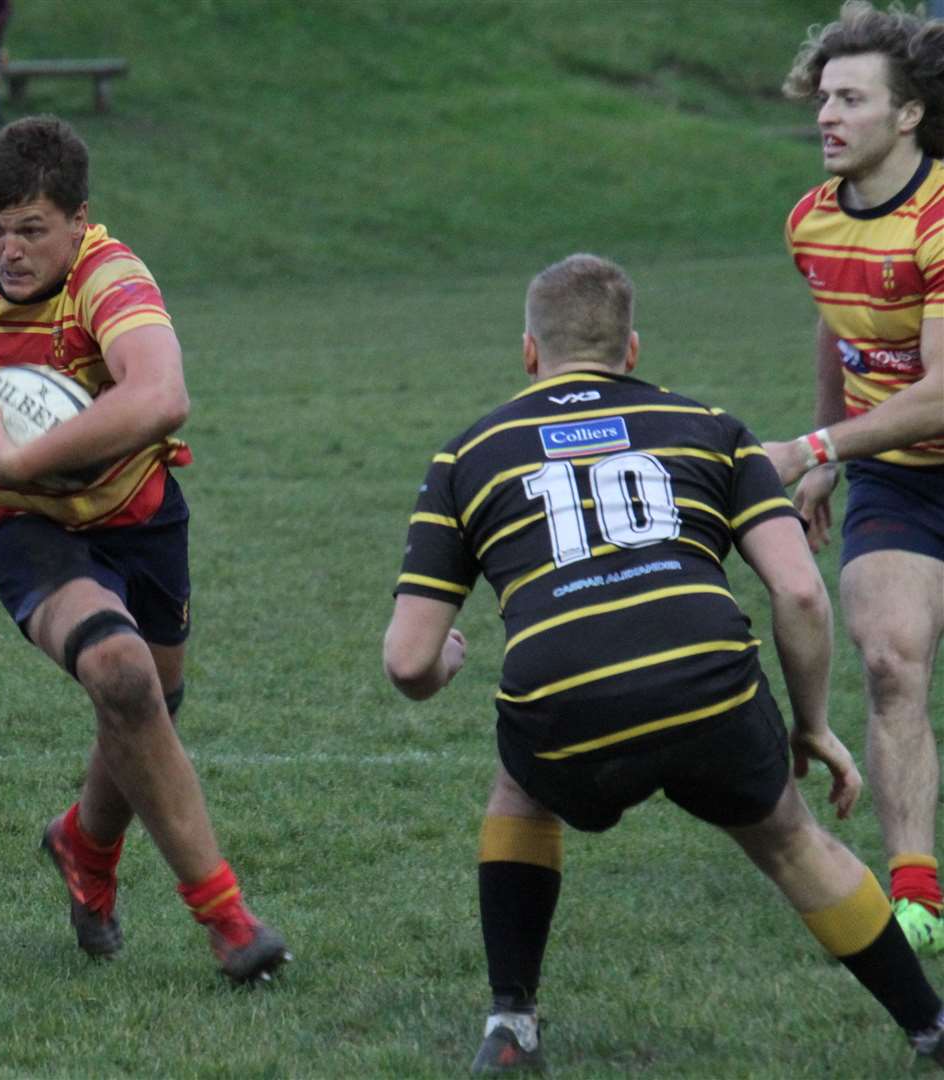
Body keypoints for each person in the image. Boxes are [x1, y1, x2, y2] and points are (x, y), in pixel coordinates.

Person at [382, 253, 944, 1073]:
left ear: (529, 354)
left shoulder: (466, 456)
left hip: (565, 700)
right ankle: (929, 1026)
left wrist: (448, 663)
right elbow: (800, 594)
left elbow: (406, 663)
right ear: (633, 351)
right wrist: (812, 725)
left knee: (522, 789)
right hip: (707, 686)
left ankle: (513, 1024)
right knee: (789, 836)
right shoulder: (711, 427)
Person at [0, 116, 289, 982]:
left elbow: (163, 398)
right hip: (28, 529)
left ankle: (84, 845)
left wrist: (29, 452)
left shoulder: (111, 277)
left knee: (151, 702)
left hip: (141, 514)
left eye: (31, 230)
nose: (8, 251)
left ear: (79, 220)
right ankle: (227, 918)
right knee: (121, 675)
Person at [767, 0, 944, 957]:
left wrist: (817, 450)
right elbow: (839, 321)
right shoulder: (812, 220)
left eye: (851, 99)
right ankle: (918, 894)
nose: (826, 116)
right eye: (823, 98)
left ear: (908, 115)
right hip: (902, 480)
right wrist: (835, 449)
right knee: (888, 658)